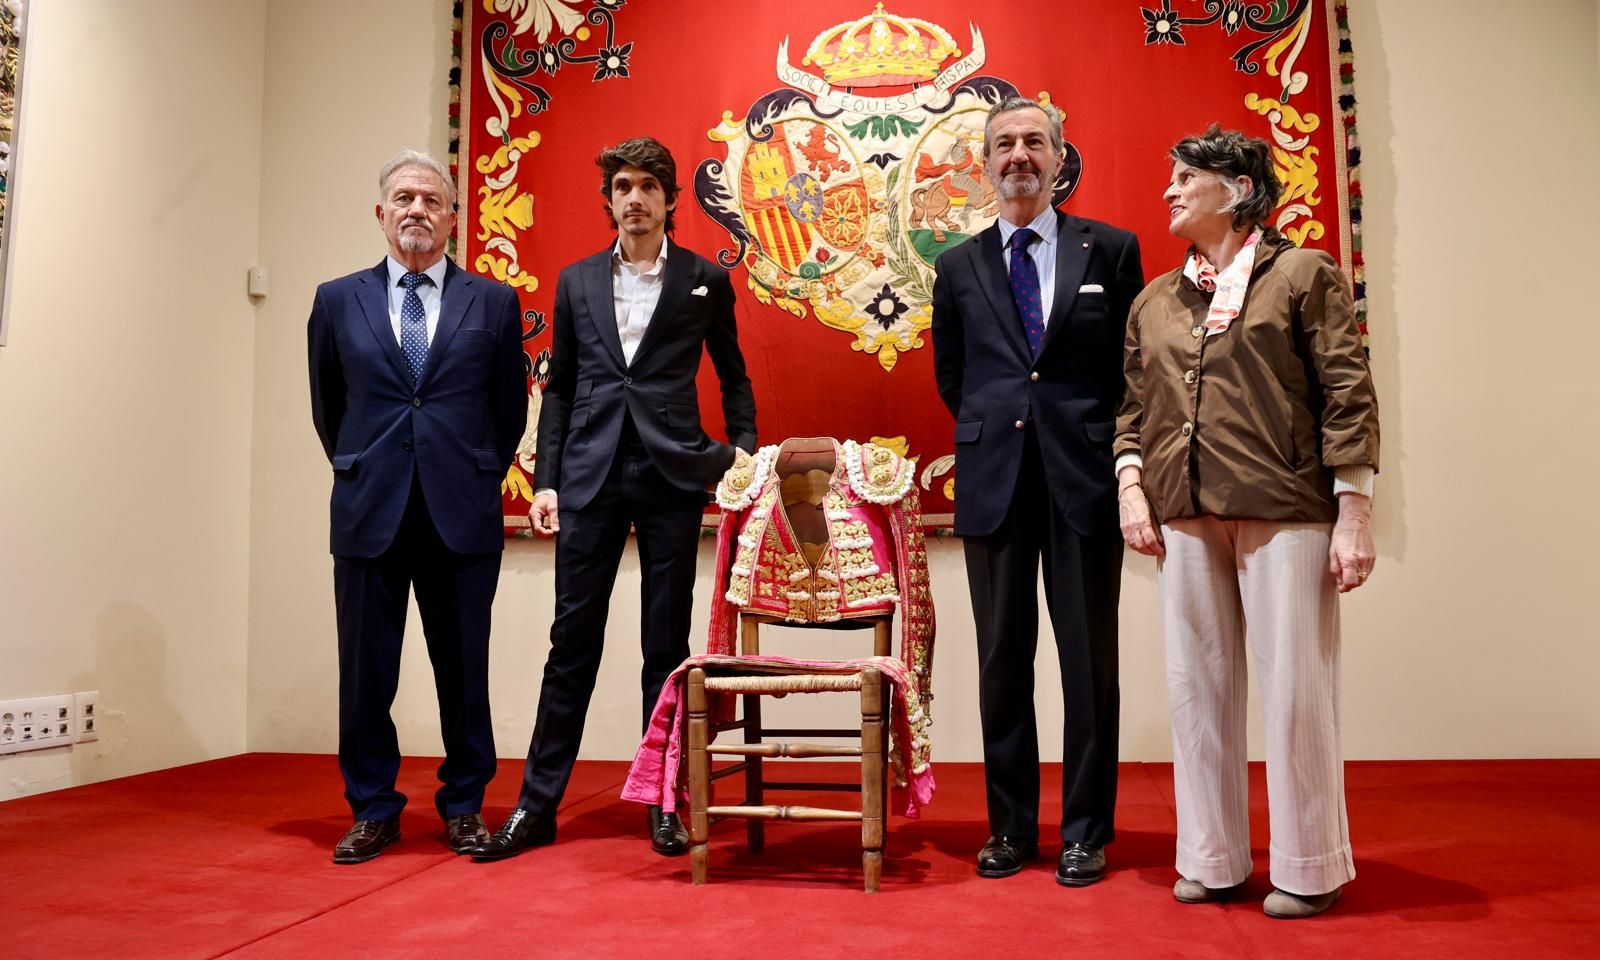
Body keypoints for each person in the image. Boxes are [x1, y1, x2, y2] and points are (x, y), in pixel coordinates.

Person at [1115, 125, 1379, 918]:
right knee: (1195, 690)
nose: (1169, 190)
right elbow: (1133, 409)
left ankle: (1310, 867)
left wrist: (1354, 512)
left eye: (1185, 177)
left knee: (1296, 692)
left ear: (1236, 189)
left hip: (1285, 508)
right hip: (1184, 511)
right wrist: (1132, 488)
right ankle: (1212, 858)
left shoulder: (1303, 273)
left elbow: (1348, 393)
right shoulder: (1155, 300)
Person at [472, 137, 757, 862]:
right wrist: (545, 479)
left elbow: (733, 375)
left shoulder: (704, 279)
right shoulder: (575, 282)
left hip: (671, 474)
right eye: (623, 186)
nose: (634, 198)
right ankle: (537, 806)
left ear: (669, 199)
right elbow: (561, 386)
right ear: (610, 199)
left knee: (665, 644)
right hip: (590, 474)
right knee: (572, 642)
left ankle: (664, 801)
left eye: (648, 187)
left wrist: (743, 454)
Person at [931, 97, 1144, 886]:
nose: (1018, 155)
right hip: (995, 481)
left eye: (1033, 142)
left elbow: (1132, 369)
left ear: (1059, 157)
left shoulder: (1111, 250)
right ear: (985, 164)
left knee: (1090, 663)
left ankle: (1086, 831)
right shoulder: (957, 266)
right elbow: (954, 376)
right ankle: (1011, 828)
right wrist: (1000, 430)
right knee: (1001, 660)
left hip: (1082, 479)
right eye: (1003, 144)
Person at [308, 148, 527, 863]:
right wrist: (368, 464)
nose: (417, 211)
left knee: (463, 673)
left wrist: (470, 472)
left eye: (432, 201)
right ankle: (373, 808)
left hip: (460, 512)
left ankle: (464, 805)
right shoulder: (336, 300)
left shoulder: (492, 302)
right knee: (365, 674)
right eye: (404, 198)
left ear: (453, 219)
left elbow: (508, 411)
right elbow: (329, 407)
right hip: (368, 510)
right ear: (381, 213)